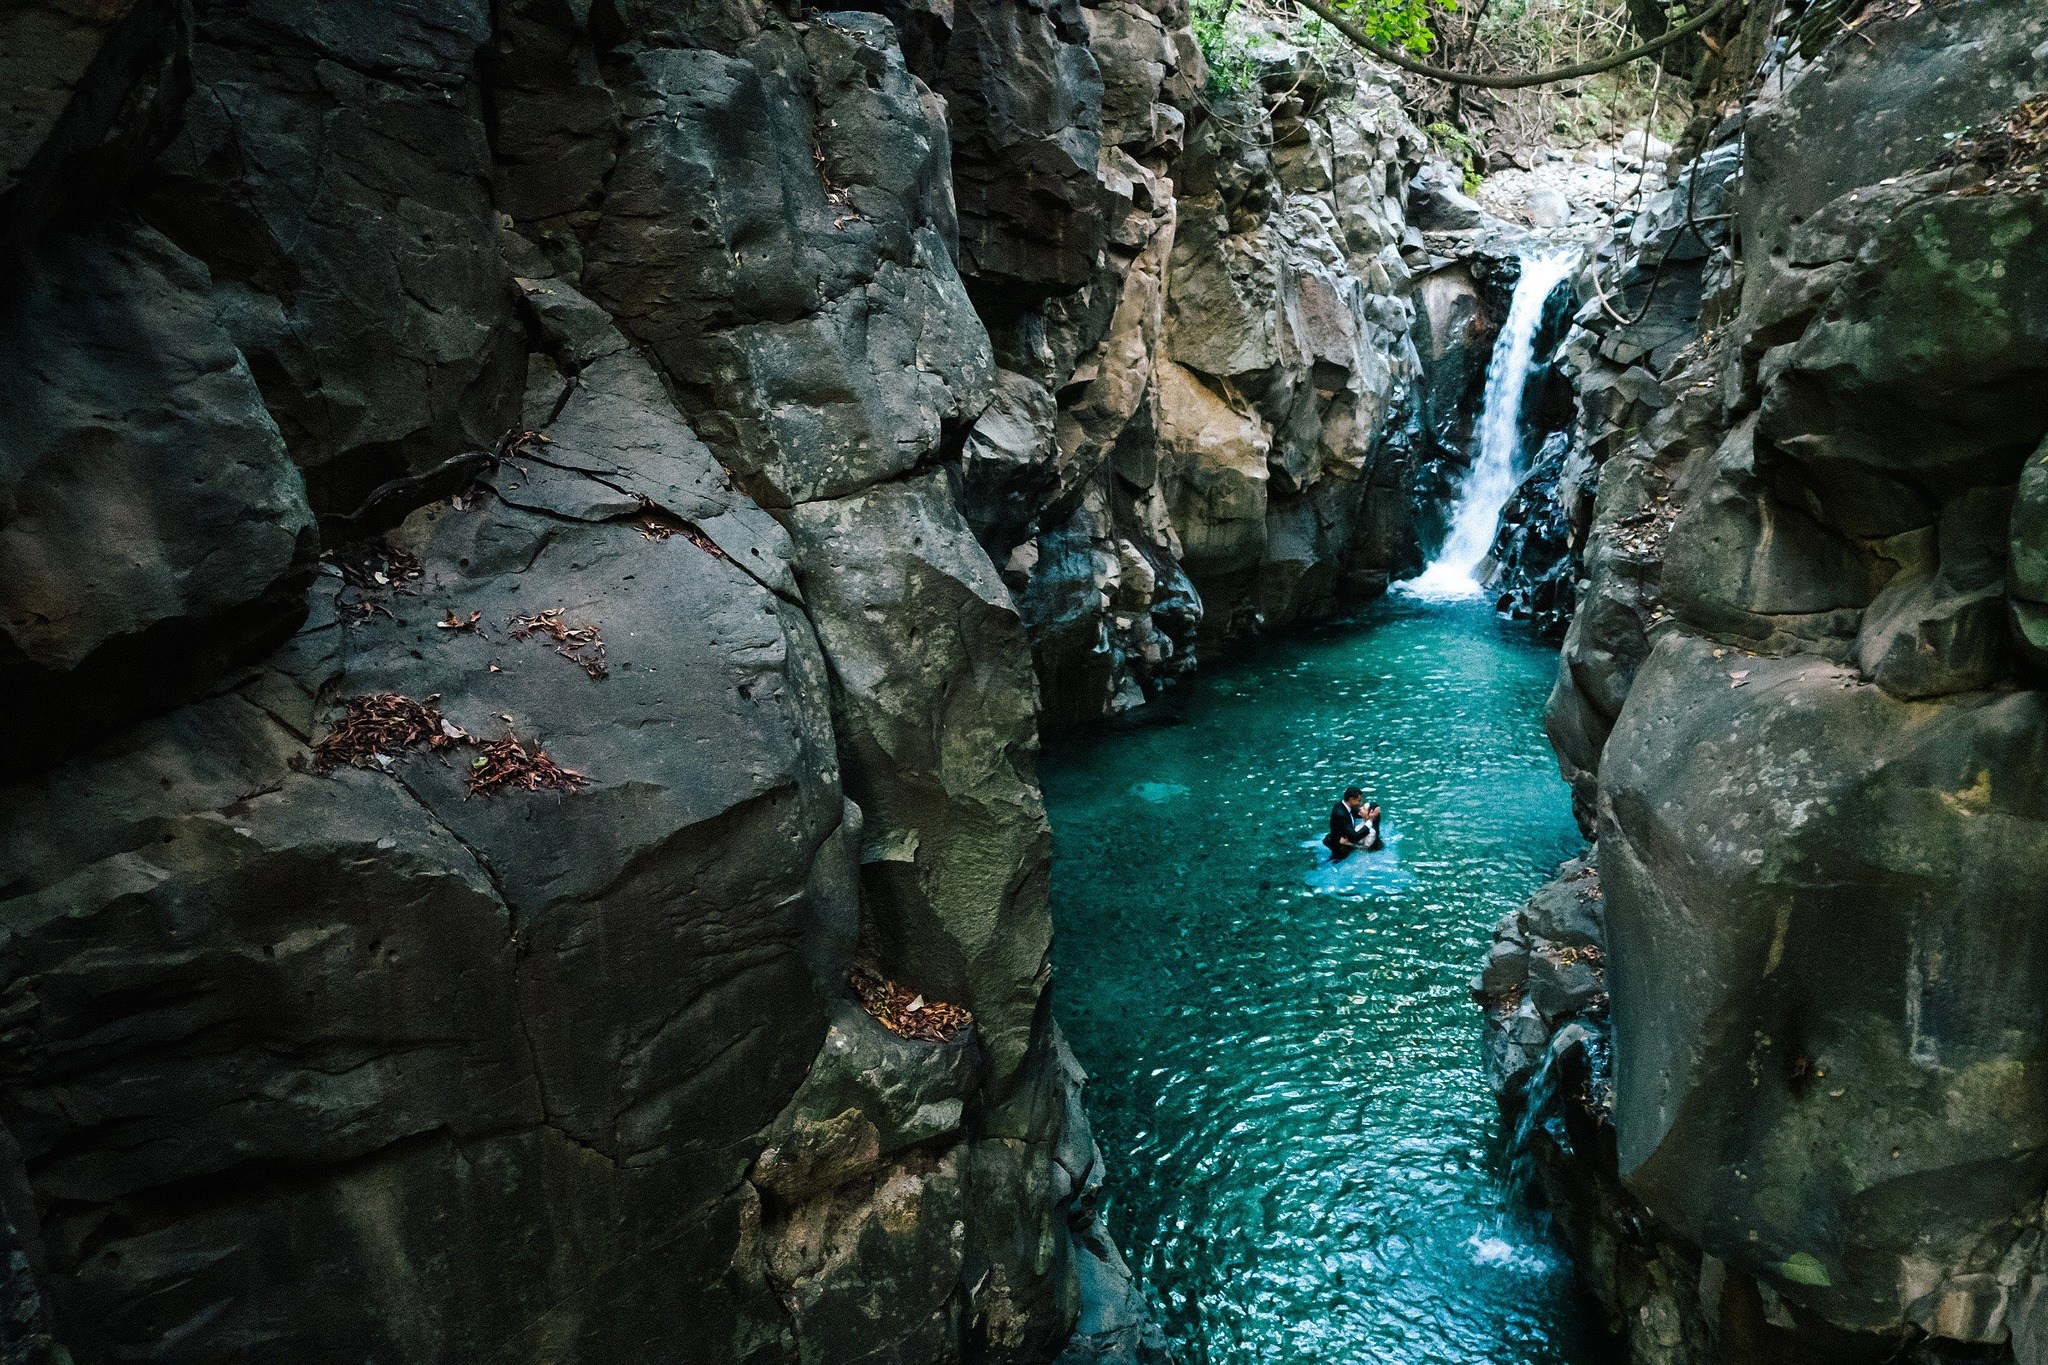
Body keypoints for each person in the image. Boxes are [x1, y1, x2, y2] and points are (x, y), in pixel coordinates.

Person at [1325, 788, 1383, 862]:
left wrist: (1373, 816)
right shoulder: (1341, 814)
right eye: (1359, 801)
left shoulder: (1346, 806)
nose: (1360, 805)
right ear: (1351, 799)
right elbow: (1354, 837)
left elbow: (1366, 849)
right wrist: (1370, 820)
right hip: (1340, 848)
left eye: (1363, 808)